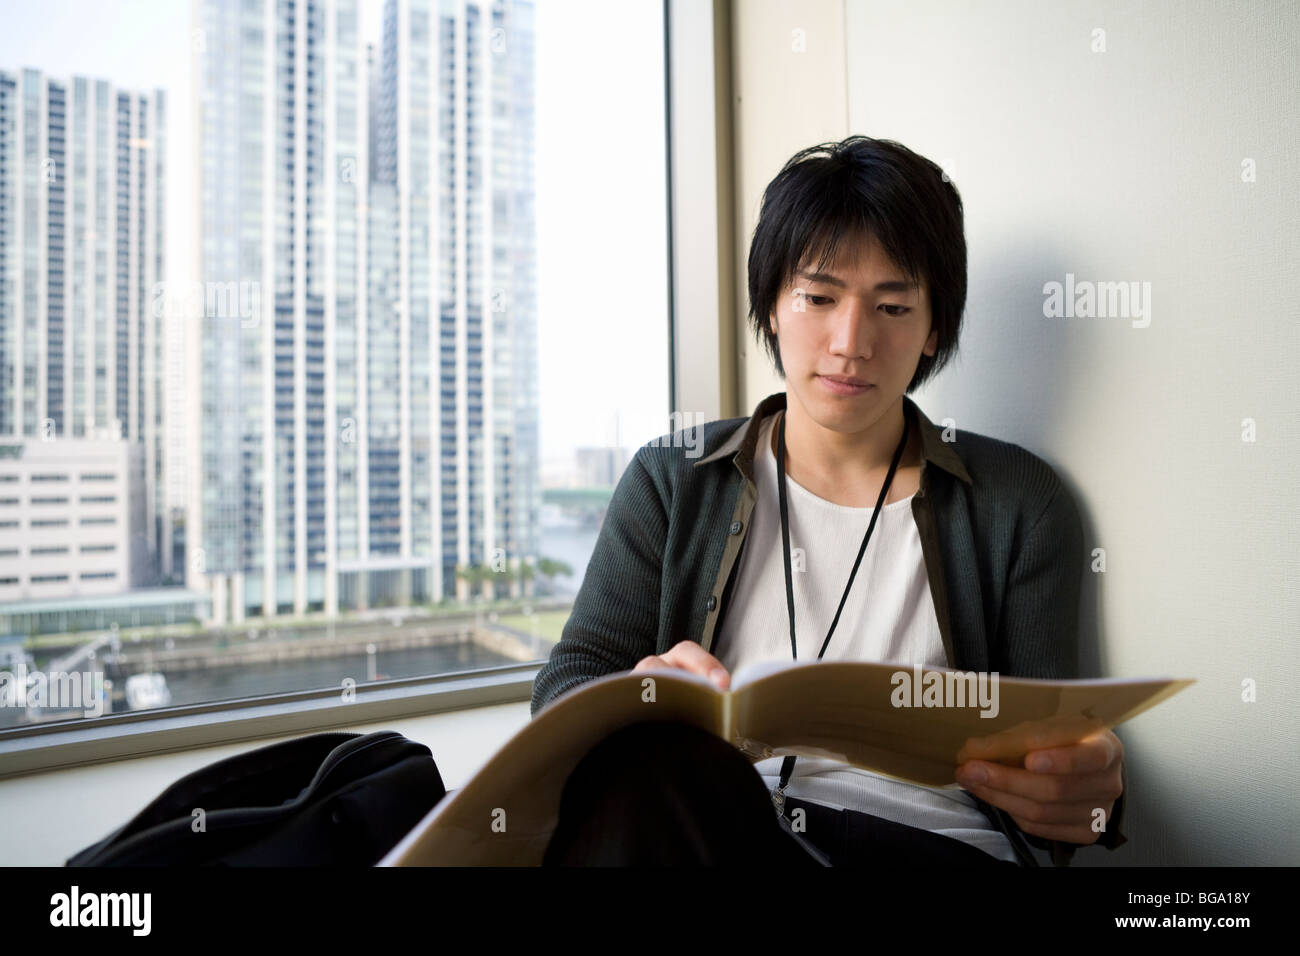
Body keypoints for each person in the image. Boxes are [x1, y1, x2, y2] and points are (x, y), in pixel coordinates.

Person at [532, 135, 1127, 868]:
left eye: (894, 305)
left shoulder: (1020, 503)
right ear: (772, 306)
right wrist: (635, 698)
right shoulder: (673, 478)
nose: (852, 342)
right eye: (818, 297)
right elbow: (564, 687)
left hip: (934, 849)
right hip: (723, 831)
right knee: (652, 788)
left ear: (935, 325)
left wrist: (1086, 791)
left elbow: (1058, 765)